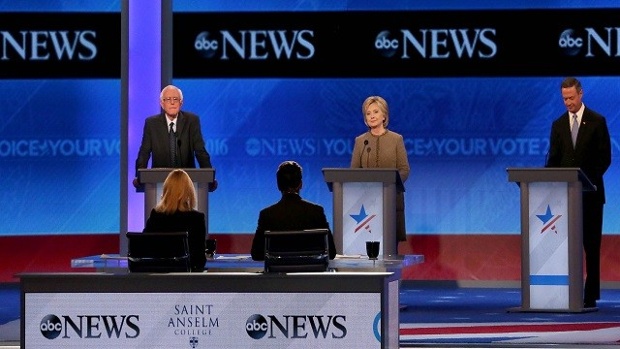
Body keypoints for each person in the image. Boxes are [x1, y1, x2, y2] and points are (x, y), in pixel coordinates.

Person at [545, 77, 611, 308]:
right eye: (564, 99)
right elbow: (553, 159)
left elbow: (605, 158)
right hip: (563, 198)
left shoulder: (597, 121)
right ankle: (564, 292)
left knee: (591, 247)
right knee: (564, 246)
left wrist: (585, 181)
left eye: (571, 98)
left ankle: (590, 294)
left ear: (580, 94)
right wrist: (547, 182)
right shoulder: (558, 124)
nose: (568, 103)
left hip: (591, 195)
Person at [350, 95, 410, 245]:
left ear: (384, 115)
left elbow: (404, 169)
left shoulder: (396, 139)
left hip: (390, 200)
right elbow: (353, 172)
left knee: (390, 249)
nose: (372, 116)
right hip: (367, 204)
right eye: (368, 113)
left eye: (375, 112)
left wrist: (389, 187)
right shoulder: (360, 141)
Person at [133, 84, 217, 191]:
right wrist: (139, 176)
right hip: (160, 184)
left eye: (175, 99)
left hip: (187, 182)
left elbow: (200, 151)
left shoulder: (192, 121)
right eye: (168, 99)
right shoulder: (151, 123)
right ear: (162, 103)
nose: (172, 102)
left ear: (181, 103)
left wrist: (208, 176)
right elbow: (144, 152)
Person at [251, 160, 337, 261]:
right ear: (300, 184)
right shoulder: (316, 211)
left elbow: (256, 254)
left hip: (277, 275)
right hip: (309, 274)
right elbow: (331, 253)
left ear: (278, 186)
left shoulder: (267, 214)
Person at [143, 169, 207, 272]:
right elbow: (199, 260)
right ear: (189, 192)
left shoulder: (156, 216)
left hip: (157, 279)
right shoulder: (196, 219)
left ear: (166, 191)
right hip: (187, 281)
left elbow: (143, 250)